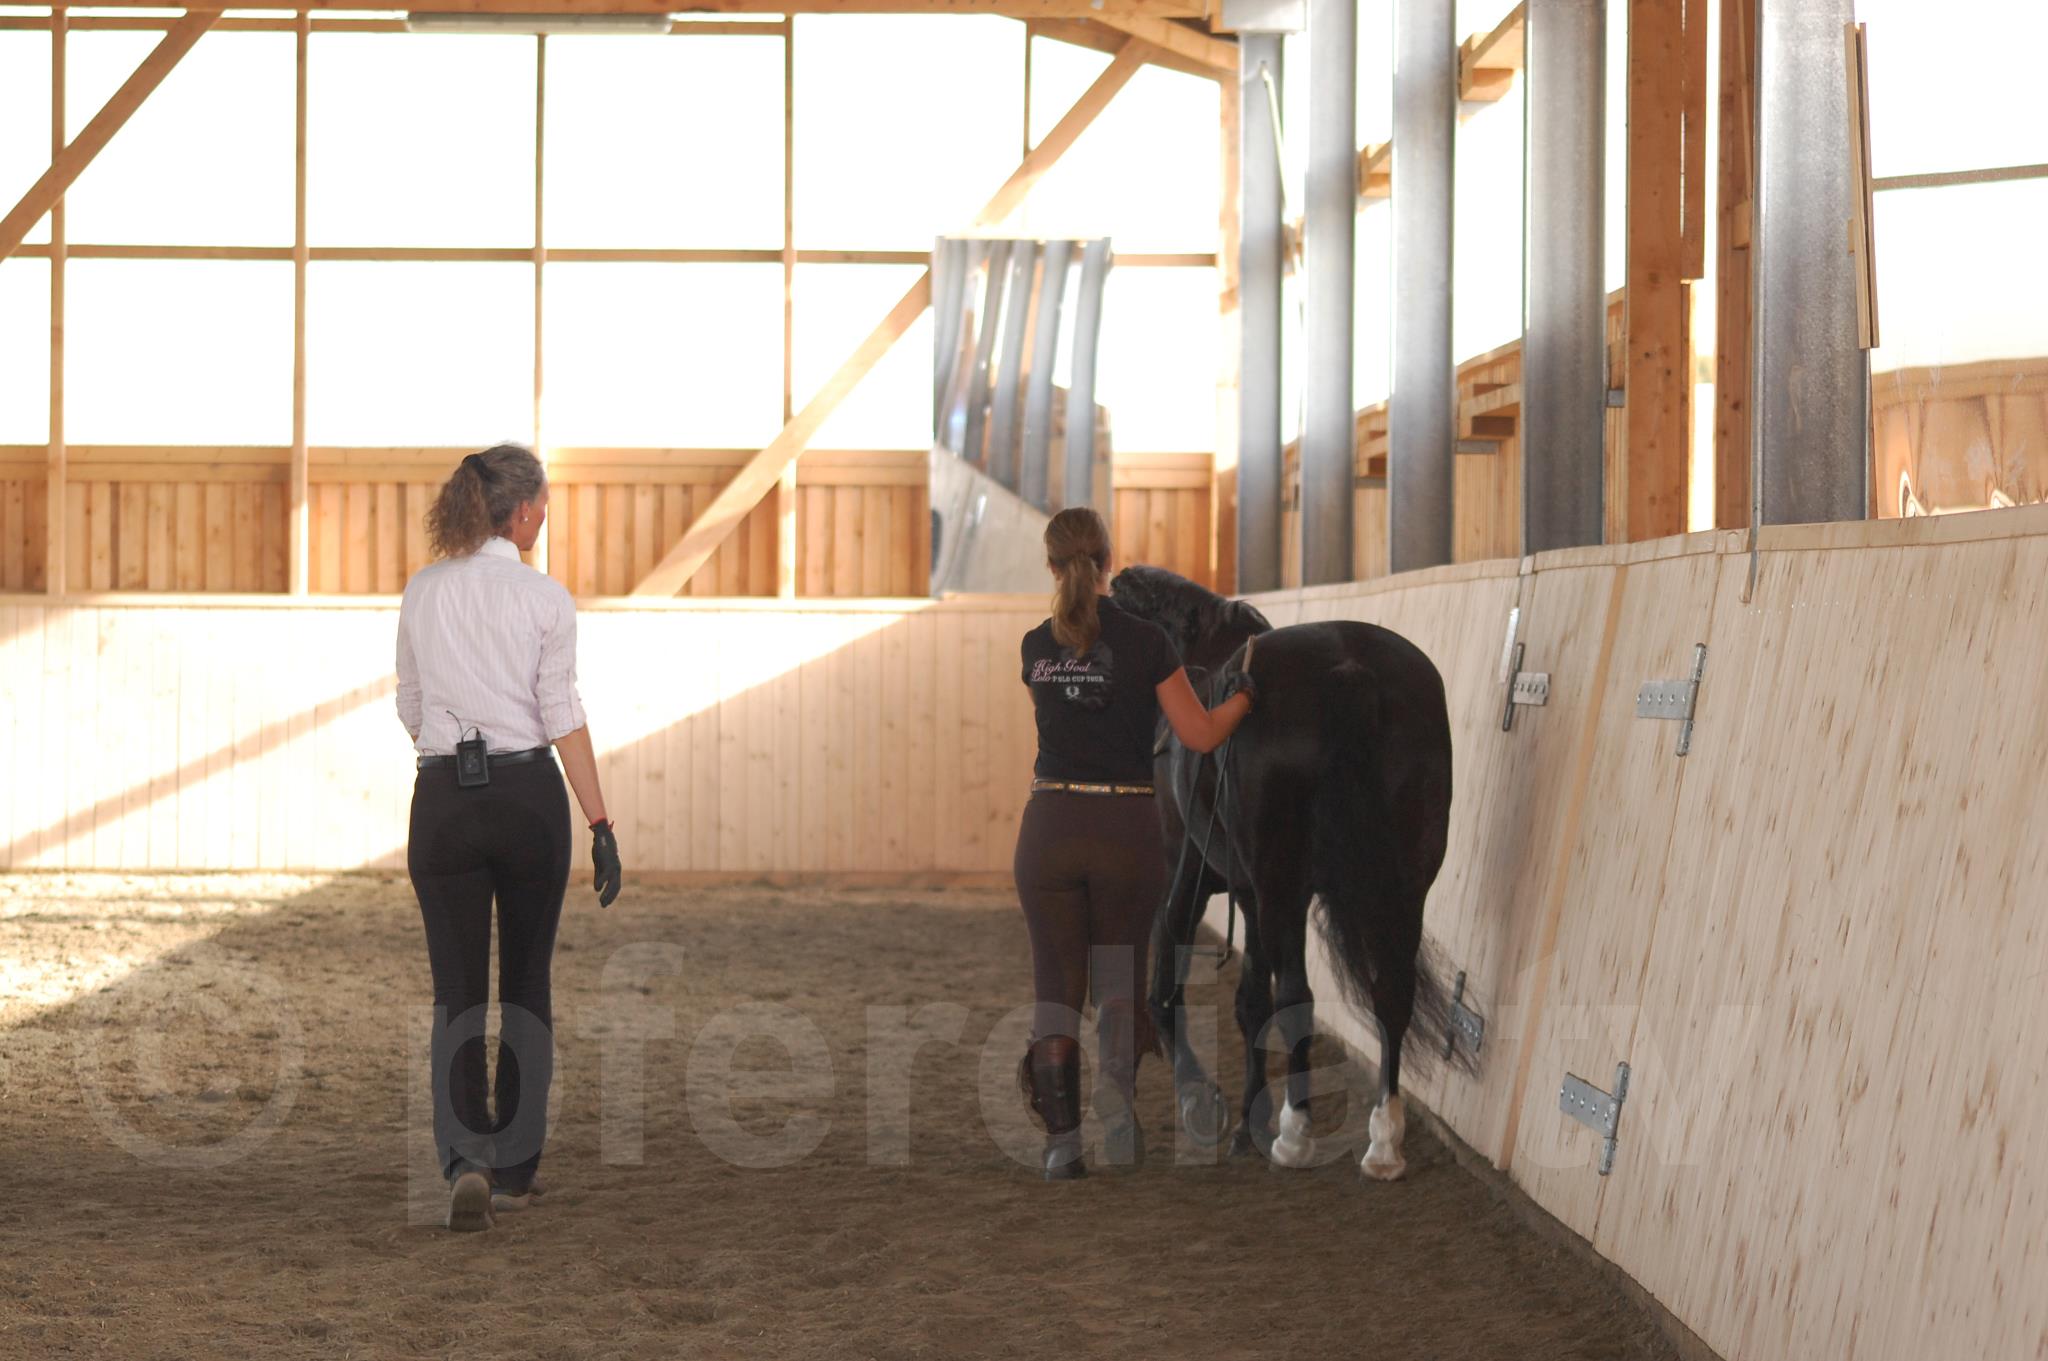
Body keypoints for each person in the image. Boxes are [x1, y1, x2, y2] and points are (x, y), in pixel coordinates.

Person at [395, 443, 623, 1232]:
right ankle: (517, 1167)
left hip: (444, 801)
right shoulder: (545, 598)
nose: (544, 517)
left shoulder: (423, 590)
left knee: (455, 989)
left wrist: (449, 763)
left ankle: (466, 1160)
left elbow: (411, 704)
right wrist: (600, 822)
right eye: (544, 506)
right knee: (526, 981)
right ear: (521, 511)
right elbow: (561, 712)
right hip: (528, 798)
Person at [1014, 507, 1254, 1180]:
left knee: (1056, 988)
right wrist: (1242, 698)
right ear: (1110, 561)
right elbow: (1200, 734)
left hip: (1050, 827)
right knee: (1120, 979)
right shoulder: (1148, 641)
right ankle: (1116, 1111)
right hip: (1125, 828)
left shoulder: (1034, 647)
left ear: (1051, 565)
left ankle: (1062, 1145)